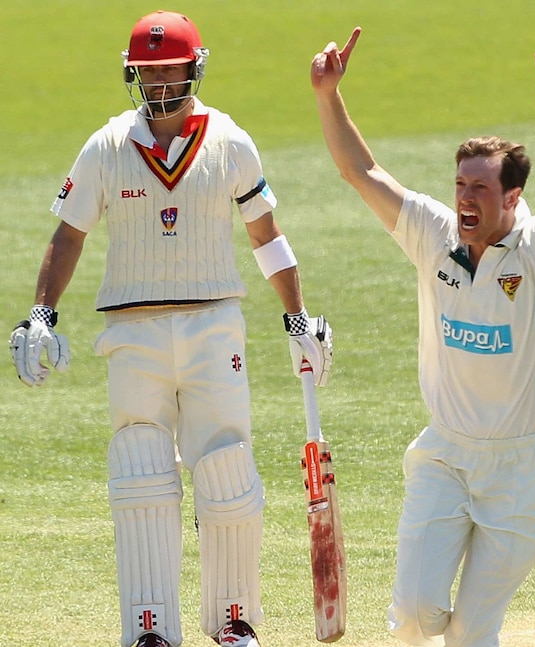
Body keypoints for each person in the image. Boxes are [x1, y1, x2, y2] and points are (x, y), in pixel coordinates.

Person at [8, 11, 332, 647]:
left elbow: (266, 236)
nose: (159, 80)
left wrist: (297, 318)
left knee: (228, 471)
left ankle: (234, 623)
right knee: (142, 476)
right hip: (134, 331)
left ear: (194, 67)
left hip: (215, 325)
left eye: (170, 68)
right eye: (148, 69)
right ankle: (149, 628)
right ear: (133, 73)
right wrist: (42, 311)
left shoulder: (231, 141)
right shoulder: (106, 146)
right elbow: (68, 233)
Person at [310, 27, 535, 646]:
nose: (464, 199)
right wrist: (328, 94)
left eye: (480, 189)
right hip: (445, 456)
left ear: (513, 196)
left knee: (469, 633)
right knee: (413, 618)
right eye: (460, 185)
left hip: (522, 470)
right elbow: (360, 171)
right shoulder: (433, 234)